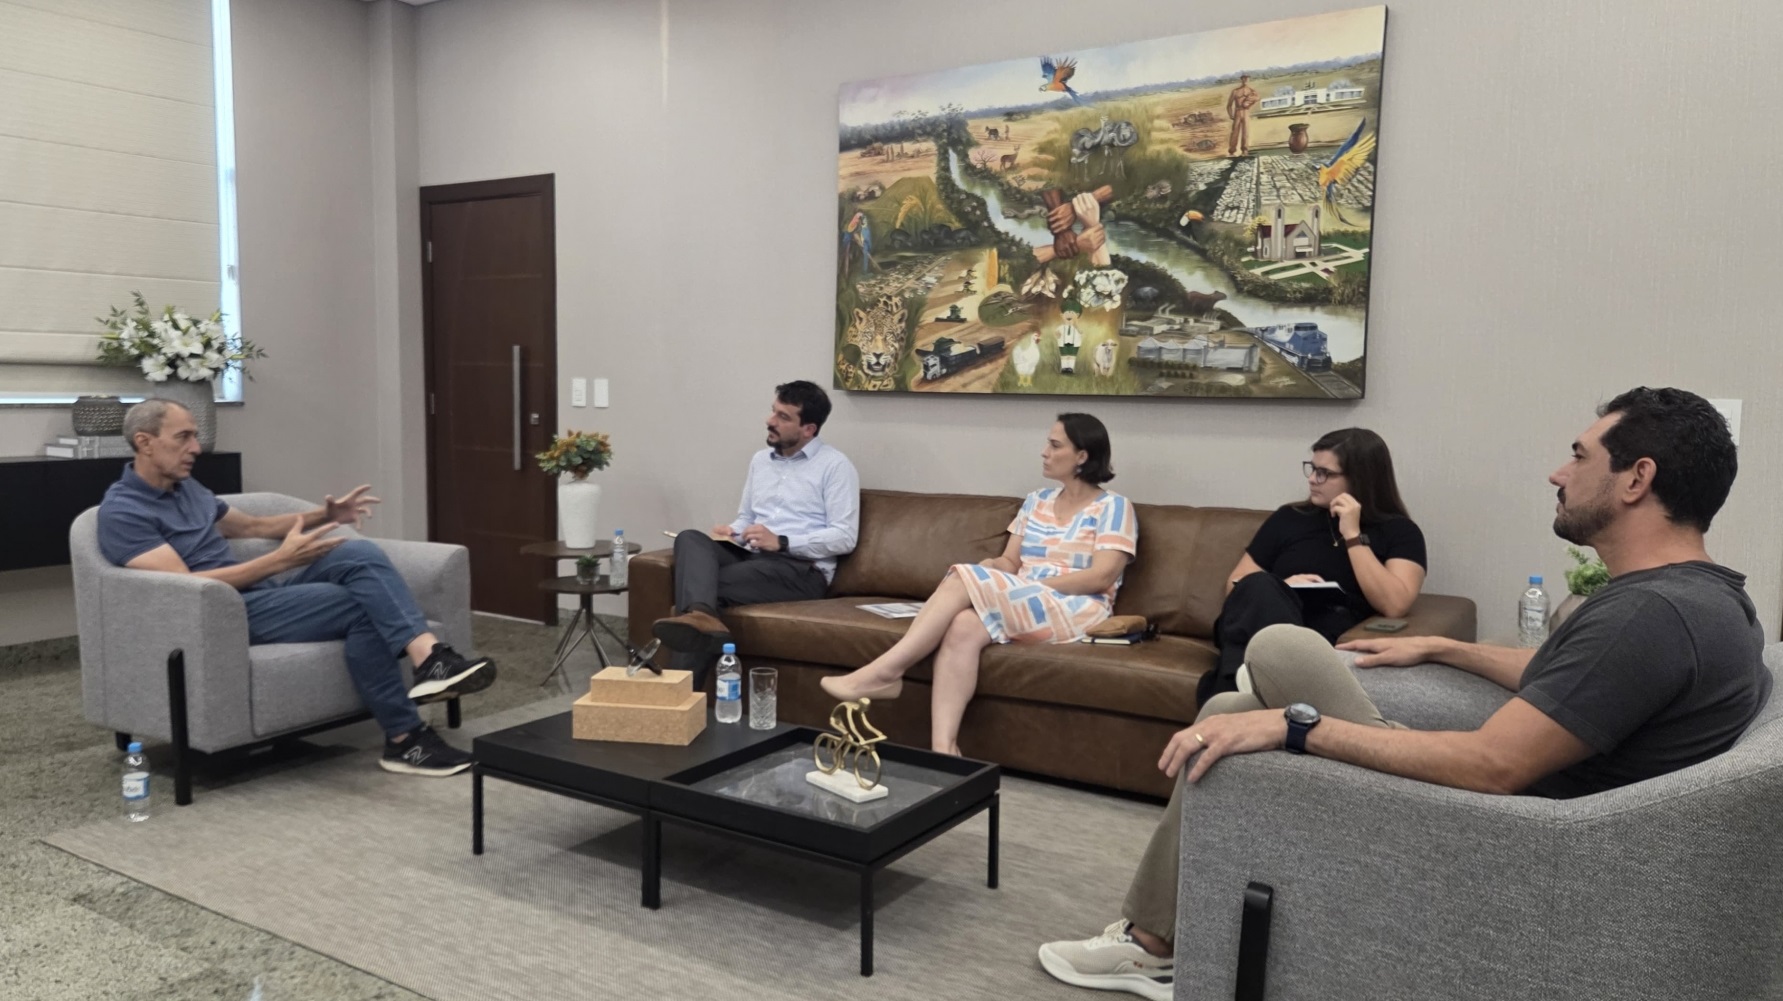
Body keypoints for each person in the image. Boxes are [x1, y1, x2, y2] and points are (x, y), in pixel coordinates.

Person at [1037, 388, 1770, 1001]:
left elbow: (1491, 765)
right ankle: (1155, 940)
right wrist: (1443, 646)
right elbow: (1563, 679)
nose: (1558, 471)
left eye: (1579, 456)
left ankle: (1153, 940)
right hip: (1521, 818)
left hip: (1496, 838)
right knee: (1231, 710)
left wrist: (1298, 727)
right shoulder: (1695, 598)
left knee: (1275, 657)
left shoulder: (1647, 616)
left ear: (1636, 479)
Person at [97, 400, 495, 777]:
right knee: (360, 606)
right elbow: (182, 589)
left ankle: (430, 660)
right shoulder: (124, 511)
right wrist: (278, 561)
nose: (196, 448)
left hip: (260, 594)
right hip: (221, 614)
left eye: (195, 436)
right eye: (183, 437)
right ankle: (407, 738)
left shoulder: (188, 489)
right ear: (144, 442)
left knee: (356, 554)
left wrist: (326, 515)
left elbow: (253, 526)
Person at [820, 413, 1137, 755]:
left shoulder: (1114, 507)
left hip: (1079, 605)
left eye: (1054, 445)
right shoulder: (1037, 501)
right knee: (963, 625)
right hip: (1026, 599)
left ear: (1082, 456)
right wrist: (991, 568)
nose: (1044, 451)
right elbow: (1010, 562)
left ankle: (885, 672)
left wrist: (1024, 584)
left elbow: (1102, 576)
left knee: (963, 577)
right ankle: (944, 750)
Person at [1198, 428, 1427, 706]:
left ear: (1360, 479)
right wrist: (1284, 587)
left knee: (1254, 635)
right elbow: (1235, 584)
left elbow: (1395, 604)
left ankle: (1236, 692)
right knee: (1260, 585)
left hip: (1323, 634)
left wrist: (1353, 535)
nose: (1311, 479)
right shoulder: (1289, 518)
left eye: (1324, 473)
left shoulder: (1400, 531)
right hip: (1258, 621)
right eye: (1312, 468)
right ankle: (1269, 685)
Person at [652, 381, 859, 685]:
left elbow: (845, 536)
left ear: (808, 429)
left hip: (802, 570)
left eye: (783, 417)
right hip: (753, 557)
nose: (770, 421)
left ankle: (677, 691)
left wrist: (783, 542)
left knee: (704, 586)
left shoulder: (835, 466)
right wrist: (733, 532)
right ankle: (701, 618)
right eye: (773, 411)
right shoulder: (760, 461)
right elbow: (747, 518)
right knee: (689, 538)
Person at [1226, 72, 1259, 157]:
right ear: (1241, 79)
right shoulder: (1235, 91)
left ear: (1249, 79)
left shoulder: (1252, 91)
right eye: (1244, 78)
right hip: (1237, 112)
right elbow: (1229, 105)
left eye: (1247, 78)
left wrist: (1249, 104)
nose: (1245, 80)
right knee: (1235, 132)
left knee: (1245, 132)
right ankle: (1232, 151)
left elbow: (1256, 99)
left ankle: (1245, 151)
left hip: (1246, 112)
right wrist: (1230, 115)